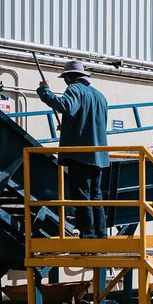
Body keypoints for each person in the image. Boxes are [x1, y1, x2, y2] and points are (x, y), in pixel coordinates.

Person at [37, 60, 110, 239]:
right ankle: (100, 233)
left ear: (69, 77)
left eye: (65, 77)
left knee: (82, 195)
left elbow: (66, 107)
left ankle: (88, 234)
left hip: (80, 154)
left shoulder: (74, 89)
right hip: (99, 154)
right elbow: (91, 122)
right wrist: (69, 126)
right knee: (96, 195)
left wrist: (45, 93)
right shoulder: (100, 96)